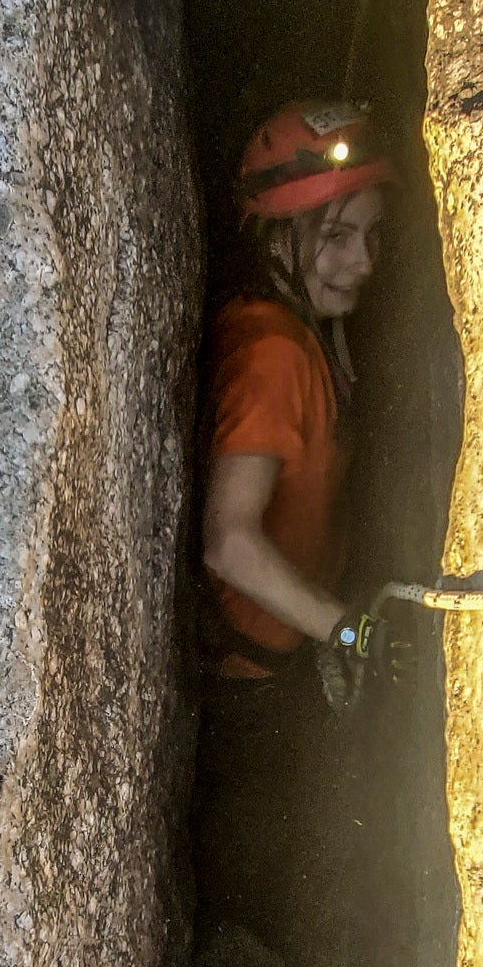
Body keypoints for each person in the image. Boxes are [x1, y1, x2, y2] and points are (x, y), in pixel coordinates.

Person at [200, 99, 395, 685]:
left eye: (371, 234)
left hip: (296, 640)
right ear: (274, 235)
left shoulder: (304, 327)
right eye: (336, 235)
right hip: (260, 672)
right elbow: (229, 541)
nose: (362, 262)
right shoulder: (273, 355)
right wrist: (351, 631)